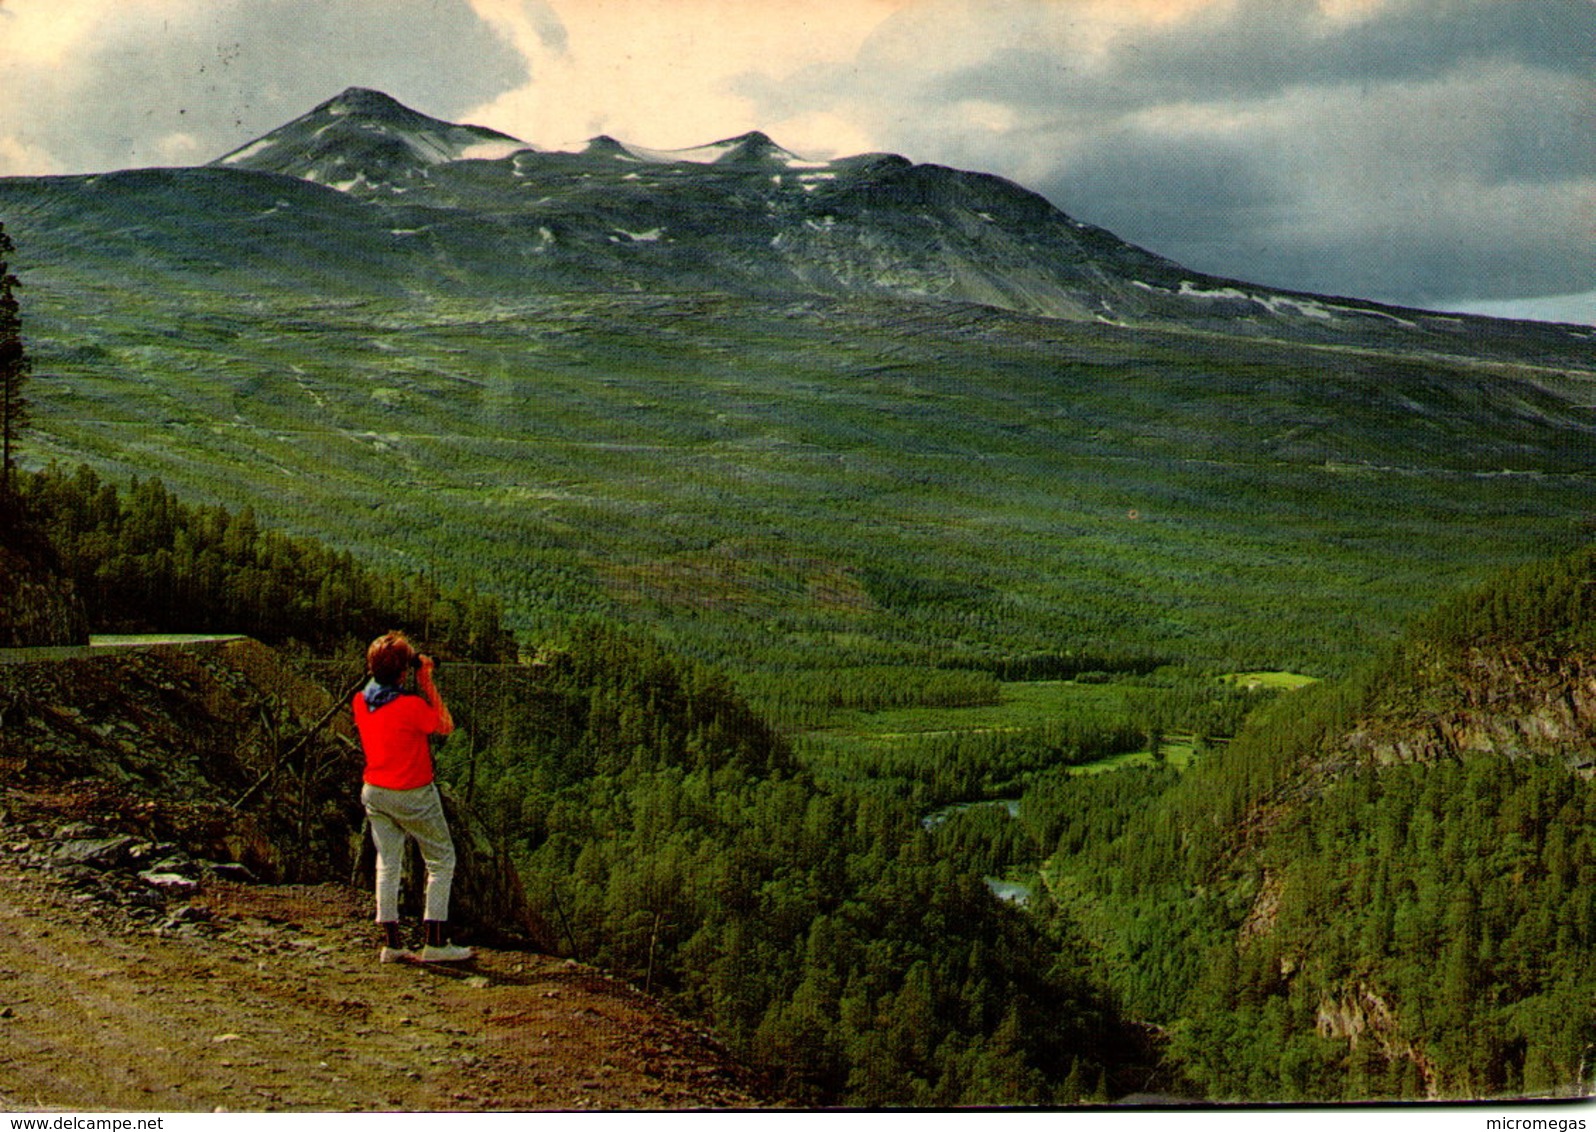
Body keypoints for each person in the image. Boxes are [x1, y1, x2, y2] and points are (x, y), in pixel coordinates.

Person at [352, 630, 473, 964]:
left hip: (375, 792)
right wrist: (427, 680)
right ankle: (435, 941)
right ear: (404, 672)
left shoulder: (361, 700)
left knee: (388, 864)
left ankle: (392, 943)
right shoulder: (411, 706)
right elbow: (446, 725)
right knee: (441, 860)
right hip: (413, 794)